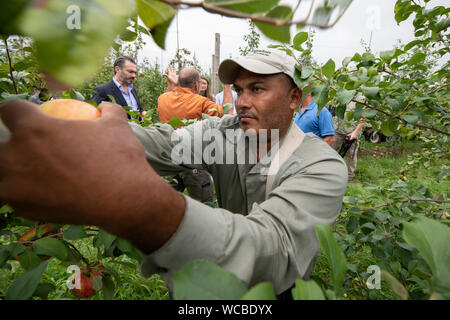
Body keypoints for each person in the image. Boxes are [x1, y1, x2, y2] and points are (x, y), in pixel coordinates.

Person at [0, 49, 347, 297]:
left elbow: (272, 252)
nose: (241, 101)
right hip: (203, 274)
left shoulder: (320, 165)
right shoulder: (227, 133)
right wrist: (77, 130)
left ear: (293, 98)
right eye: (240, 90)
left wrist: (138, 204)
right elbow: (163, 144)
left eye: (257, 89)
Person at [158, 66, 233, 203]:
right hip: (193, 161)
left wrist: (172, 85)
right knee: (203, 206)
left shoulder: (162, 98)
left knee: (164, 203)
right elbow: (227, 117)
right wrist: (227, 87)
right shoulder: (200, 102)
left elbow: (167, 98)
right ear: (196, 85)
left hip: (168, 159)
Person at [332, 93, 366, 181]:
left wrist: (355, 132)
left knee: (351, 155)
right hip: (338, 131)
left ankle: (349, 175)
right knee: (331, 150)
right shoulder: (342, 95)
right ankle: (330, 171)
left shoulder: (361, 99)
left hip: (351, 132)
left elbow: (364, 118)